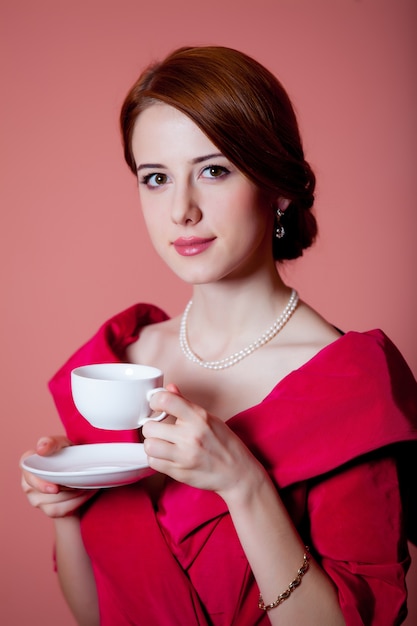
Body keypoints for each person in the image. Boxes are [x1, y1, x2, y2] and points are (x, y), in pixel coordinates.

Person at [21, 46, 417, 626]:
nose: (180, 210)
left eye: (213, 170)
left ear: (278, 187)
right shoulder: (120, 368)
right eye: (155, 178)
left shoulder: (349, 387)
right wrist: (65, 507)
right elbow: (94, 614)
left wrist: (243, 484)